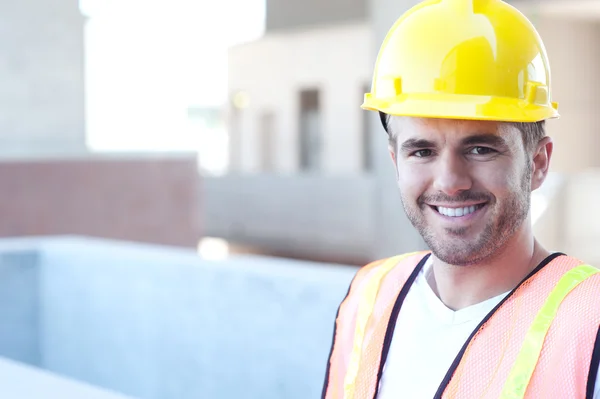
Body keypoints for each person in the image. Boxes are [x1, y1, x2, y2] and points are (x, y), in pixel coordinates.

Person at [320, 0, 600, 398]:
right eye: (422, 151)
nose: (450, 182)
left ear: (538, 162)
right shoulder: (370, 296)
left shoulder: (590, 321)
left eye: (480, 149)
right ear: (395, 161)